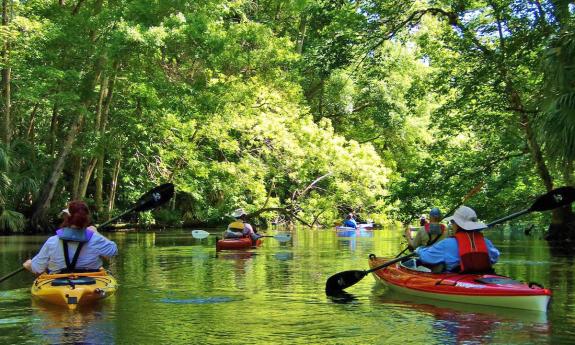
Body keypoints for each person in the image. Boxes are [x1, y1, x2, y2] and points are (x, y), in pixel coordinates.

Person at [23, 201, 118, 274]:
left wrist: (29, 265)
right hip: (90, 282)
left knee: (29, 264)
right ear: (85, 219)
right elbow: (113, 251)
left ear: (67, 218)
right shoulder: (95, 239)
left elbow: (37, 268)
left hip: (59, 284)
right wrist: (96, 233)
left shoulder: (52, 241)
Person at [415, 206, 500, 273]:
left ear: (457, 225)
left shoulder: (446, 244)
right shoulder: (486, 242)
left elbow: (426, 257)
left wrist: (419, 250)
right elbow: (495, 257)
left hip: (454, 281)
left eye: (453, 222)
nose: (452, 225)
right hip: (482, 278)